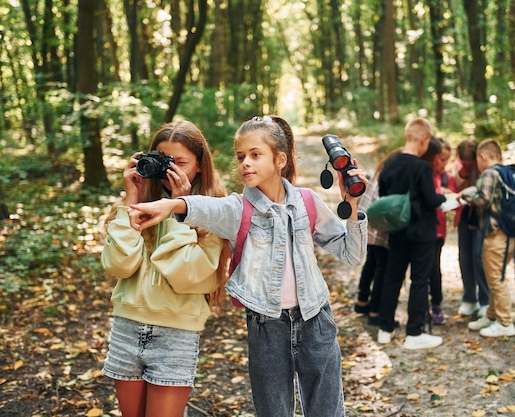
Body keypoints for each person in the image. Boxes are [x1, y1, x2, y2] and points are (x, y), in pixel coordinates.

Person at [127, 115, 369, 417]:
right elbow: (204, 207)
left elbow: (352, 254)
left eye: (256, 155)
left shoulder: (307, 202)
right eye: (241, 156)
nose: (245, 163)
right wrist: (172, 204)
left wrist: (353, 205)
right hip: (267, 328)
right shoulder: (238, 208)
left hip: (316, 322)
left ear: (280, 159)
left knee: (327, 412)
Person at [100, 121, 231, 417]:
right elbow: (119, 266)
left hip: (176, 334)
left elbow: (187, 275)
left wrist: (177, 209)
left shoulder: (214, 213)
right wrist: (131, 199)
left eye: (179, 162)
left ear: (199, 166)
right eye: (162, 160)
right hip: (127, 327)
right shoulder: (137, 205)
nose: (169, 170)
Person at [376, 117, 446, 349]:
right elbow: (431, 199)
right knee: (419, 280)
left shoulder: (390, 163)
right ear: (424, 139)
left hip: (396, 230)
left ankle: (385, 328)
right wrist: (446, 198)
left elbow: (383, 194)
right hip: (421, 232)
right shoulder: (421, 167)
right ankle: (414, 333)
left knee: (392, 277)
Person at [460, 138, 515, 337]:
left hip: (495, 235)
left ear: (482, 157)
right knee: (494, 277)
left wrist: (467, 196)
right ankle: (491, 316)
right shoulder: (508, 173)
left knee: (495, 280)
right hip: (511, 234)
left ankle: (505, 322)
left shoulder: (489, 174)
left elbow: (483, 200)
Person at [354, 148, 401, 326]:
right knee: (382, 267)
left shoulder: (378, 171)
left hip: (367, 222)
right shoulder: (389, 177)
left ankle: (362, 300)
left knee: (371, 262)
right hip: (379, 226)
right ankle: (375, 311)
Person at [451, 139, 489, 318]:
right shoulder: (456, 166)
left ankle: (485, 299)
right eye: (463, 162)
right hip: (465, 215)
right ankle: (469, 298)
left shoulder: (485, 170)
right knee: (464, 256)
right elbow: (452, 186)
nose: (466, 166)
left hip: (481, 215)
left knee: (478, 255)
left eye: (469, 164)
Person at [425, 137, 454, 325]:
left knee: (434, 269)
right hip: (422, 230)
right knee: (421, 271)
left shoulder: (445, 177)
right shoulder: (424, 173)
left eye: (446, 160)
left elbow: (452, 197)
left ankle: (436, 304)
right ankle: (421, 306)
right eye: (440, 159)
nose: (442, 164)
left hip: (438, 231)